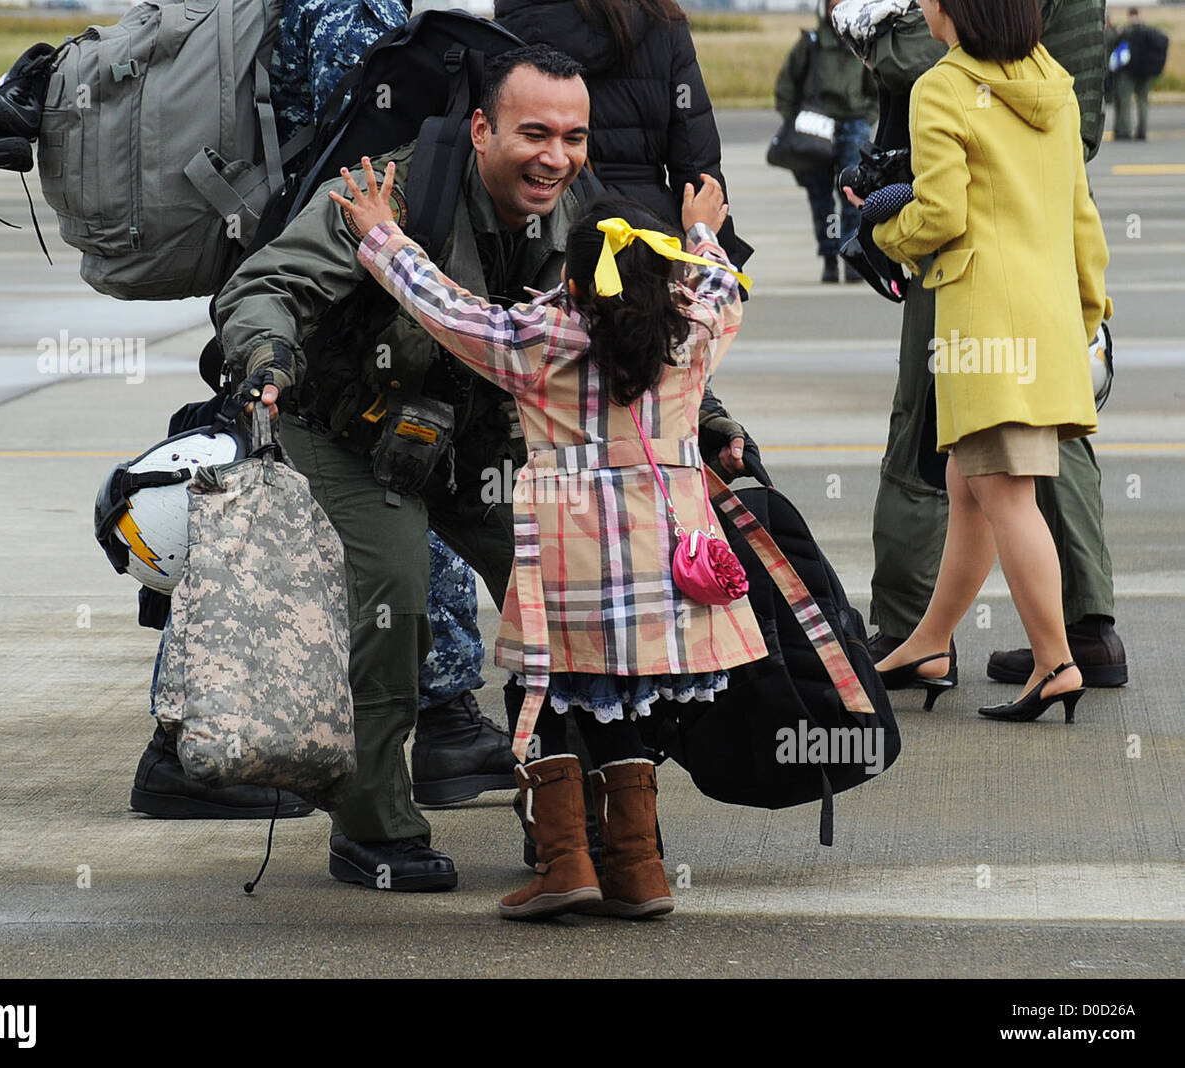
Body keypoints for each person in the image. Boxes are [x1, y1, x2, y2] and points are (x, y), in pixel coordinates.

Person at [216, 45, 757, 891]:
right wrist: (265, 355)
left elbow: (639, 334)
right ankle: (373, 826)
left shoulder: (584, 208)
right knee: (393, 594)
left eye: (574, 136)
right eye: (534, 133)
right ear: (480, 129)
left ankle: (569, 837)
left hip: (482, 441)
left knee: (581, 604)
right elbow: (265, 283)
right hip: (350, 430)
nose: (556, 156)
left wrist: (715, 422)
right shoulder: (380, 195)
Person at [333, 156, 762, 918]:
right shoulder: (693, 334)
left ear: (576, 278)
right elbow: (720, 283)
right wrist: (703, 228)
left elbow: (447, 309)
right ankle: (638, 871)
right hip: (664, 573)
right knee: (627, 706)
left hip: (569, 564)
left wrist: (381, 235)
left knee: (548, 696)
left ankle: (566, 863)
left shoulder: (541, 341)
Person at [127, 0, 518, 820]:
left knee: (403, 559)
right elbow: (373, 147)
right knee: (305, 563)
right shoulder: (354, 14)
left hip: (392, 335)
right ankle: (197, 752)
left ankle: (449, 726)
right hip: (339, 301)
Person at [840, 0, 1128, 690]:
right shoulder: (1052, 83)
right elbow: (1081, 217)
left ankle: (1056, 663)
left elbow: (941, 211)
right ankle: (930, 643)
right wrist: (1087, 313)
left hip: (982, 326)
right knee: (969, 487)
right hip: (1048, 319)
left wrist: (880, 232)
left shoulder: (943, 84)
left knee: (1004, 494)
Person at [494, 0, 754, 272]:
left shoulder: (509, 23)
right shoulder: (660, 19)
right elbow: (695, 163)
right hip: (646, 235)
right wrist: (719, 260)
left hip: (539, 230)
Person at [775, 0, 879, 283]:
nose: (837, 10)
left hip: (852, 125)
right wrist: (794, 121)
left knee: (852, 194)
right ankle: (830, 257)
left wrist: (865, 118)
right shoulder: (810, 44)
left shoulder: (863, 43)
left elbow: (878, 86)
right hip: (816, 129)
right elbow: (786, 86)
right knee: (820, 198)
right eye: (832, 5)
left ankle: (852, 257)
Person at [1110, 7, 1154, 141]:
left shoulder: (1127, 30)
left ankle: (1124, 131)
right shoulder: (1147, 30)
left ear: (1130, 15)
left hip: (1128, 72)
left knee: (1125, 102)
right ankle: (1142, 130)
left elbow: (1114, 42)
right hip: (1144, 72)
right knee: (1143, 101)